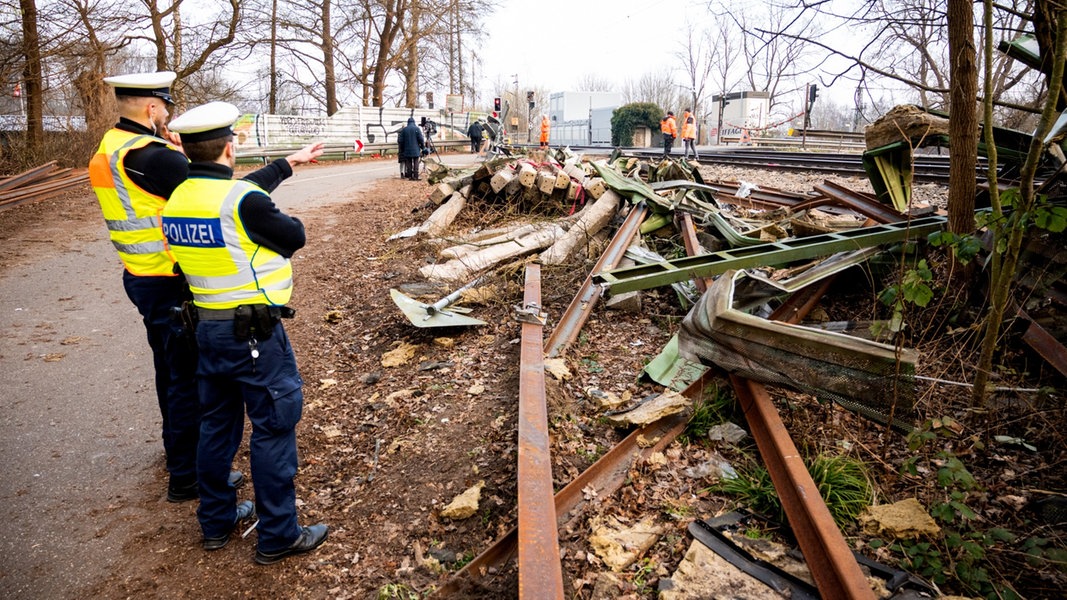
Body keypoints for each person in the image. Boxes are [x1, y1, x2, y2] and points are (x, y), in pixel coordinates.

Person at [160, 101, 329, 563]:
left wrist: (288, 164)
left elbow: (229, 195)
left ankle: (215, 523)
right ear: (231, 147)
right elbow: (293, 235)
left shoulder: (178, 198)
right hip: (253, 335)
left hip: (205, 332)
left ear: (186, 148)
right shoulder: (244, 202)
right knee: (273, 427)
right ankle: (278, 535)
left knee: (215, 427)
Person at [87, 70, 244, 503]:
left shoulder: (111, 147)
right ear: (153, 108)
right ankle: (188, 474)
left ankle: (177, 451)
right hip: (171, 280)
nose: (168, 115)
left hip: (139, 275)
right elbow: (213, 197)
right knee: (188, 378)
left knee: (167, 369)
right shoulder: (155, 156)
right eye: (166, 108)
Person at [397, 116, 425, 181]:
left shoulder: (404, 130)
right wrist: (422, 147)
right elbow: (421, 139)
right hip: (415, 149)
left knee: (408, 163)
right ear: (414, 122)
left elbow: (400, 140)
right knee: (416, 162)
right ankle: (416, 176)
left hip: (407, 150)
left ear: (408, 122)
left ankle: (410, 176)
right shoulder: (417, 129)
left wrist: (402, 149)